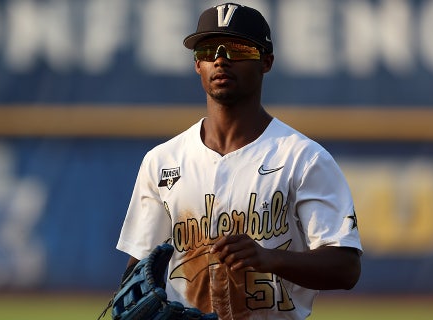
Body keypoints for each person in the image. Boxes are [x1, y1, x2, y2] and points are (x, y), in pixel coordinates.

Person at [116, 3, 362, 319]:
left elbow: (346, 268)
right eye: (207, 50)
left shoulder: (303, 158)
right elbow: (138, 270)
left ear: (266, 62)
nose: (221, 59)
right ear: (197, 65)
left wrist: (269, 258)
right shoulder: (162, 161)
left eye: (238, 48)